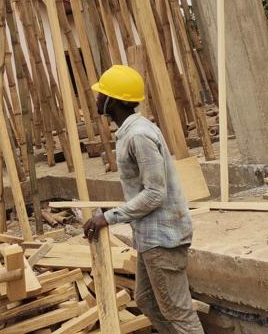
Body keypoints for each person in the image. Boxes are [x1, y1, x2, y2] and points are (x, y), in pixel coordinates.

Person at [83, 65, 205, 334]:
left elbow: (155, 193)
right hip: (151, 236)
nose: (97, 99)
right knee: (146, 300)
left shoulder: (139, 135)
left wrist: (107, 217)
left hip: (163, 237)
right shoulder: (132, 131)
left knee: (178, 312)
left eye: (101, 94)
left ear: (113, 101)